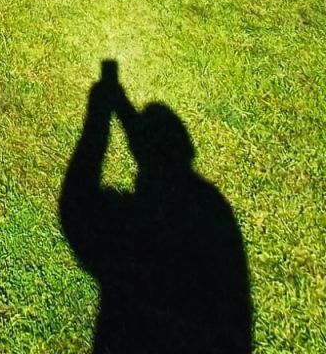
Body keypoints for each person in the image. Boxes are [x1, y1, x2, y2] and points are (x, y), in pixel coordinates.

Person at [59, 61, 252, 353]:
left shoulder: (143, 228)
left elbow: (77, 201)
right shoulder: (211, 208)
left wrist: (99, 115)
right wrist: (123, 111)